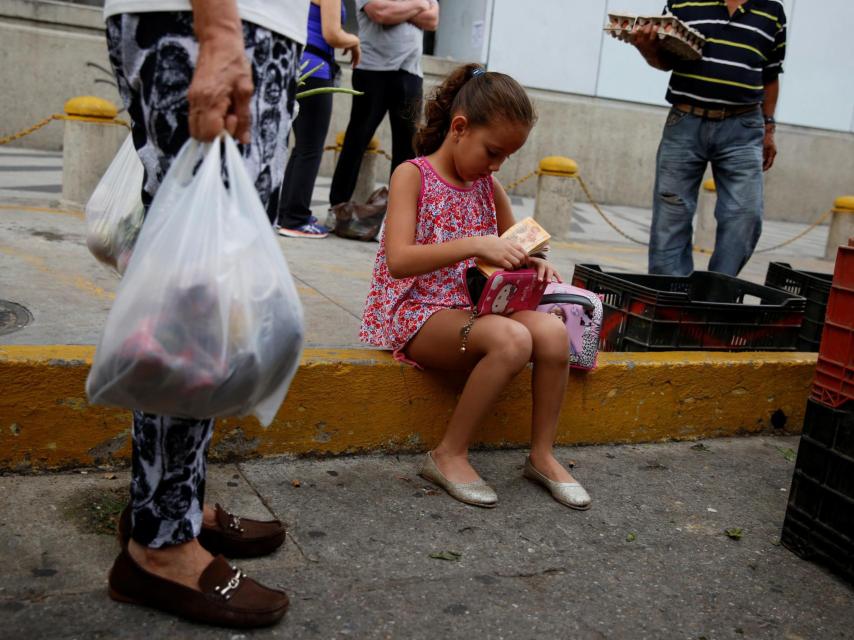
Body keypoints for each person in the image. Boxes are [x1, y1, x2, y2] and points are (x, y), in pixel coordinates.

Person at [102, 0, 308, 627]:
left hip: (256, 28)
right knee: (197, 301)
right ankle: (158, 547)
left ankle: (173, 506)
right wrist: (218, 31)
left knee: (220, 306)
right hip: (212, 23)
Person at [360, 64, 592, 511]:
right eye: (492, 152)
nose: (496, 164)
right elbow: (399, 259)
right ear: (460, 128)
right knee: (512, 338)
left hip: (474, 306)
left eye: (506, 157)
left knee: (552, 331)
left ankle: (542, 455)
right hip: (419, 311)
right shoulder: (413, 175)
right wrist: (473, 244)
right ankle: (448, 454)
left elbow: (520, 245)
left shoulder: (489, 185)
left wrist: (536, 265)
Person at [632, 0, 787, 276]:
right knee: (671, 216)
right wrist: (646, 46)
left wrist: (769, 128)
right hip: (685, 120)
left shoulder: (772, 11)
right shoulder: (682, 2)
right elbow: (664, 61)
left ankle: (716, 291)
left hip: (744, 126)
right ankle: (672, 300)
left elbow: (771, 75)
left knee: (746, 215)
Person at [328, 0, 439, 208]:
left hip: (411, 72)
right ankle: (338, 206)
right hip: (372, 70)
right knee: (357, 138)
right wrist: (419, 5)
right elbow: (380, 13)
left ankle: (399, 213)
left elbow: (432, 20)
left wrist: (399, 12)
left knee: (408, 148)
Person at [275, 0, 361, 239]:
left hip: (298, 63)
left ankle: (287, 214)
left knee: (301, 147)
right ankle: (296, 219)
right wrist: (355, 41)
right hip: (316, 68)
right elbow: (332, 34)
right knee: (310, 148)